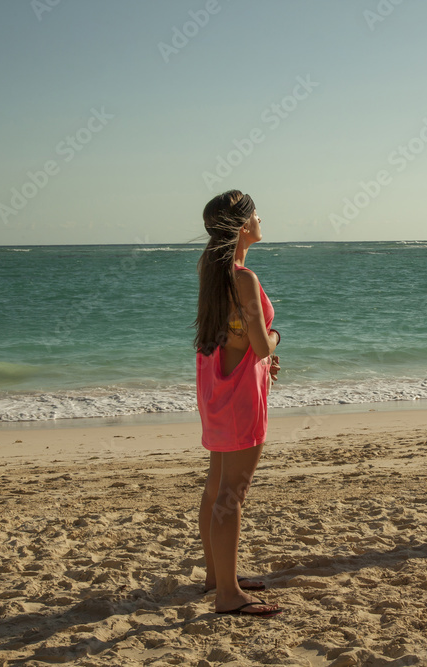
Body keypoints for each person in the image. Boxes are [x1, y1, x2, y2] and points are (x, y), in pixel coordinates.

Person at [193, 190, 282, 617]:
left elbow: (230, 337)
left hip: (217, 390)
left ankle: (217, 577)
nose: (261, 219)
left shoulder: (212, 270)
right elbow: (261, 346)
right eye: (255, 215)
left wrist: (262, 351)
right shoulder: (243, 277)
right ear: (244, 226)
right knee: (233, 493)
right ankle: (228, 595)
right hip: (242, 397)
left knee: (216, 488)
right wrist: (278, 340)